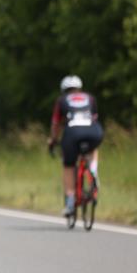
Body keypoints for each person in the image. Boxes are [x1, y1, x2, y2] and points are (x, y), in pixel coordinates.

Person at [47, 75, 103, 217]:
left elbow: (55, 124)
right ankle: (94, 172)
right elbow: (94, 116)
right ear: (80, 88)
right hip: (94, 130)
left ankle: (70, 203)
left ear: (64, 90)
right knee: (93, 148)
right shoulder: (90, 98)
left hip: (73, 132)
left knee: (69, 166)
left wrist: (53, 140)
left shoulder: (61, 100)